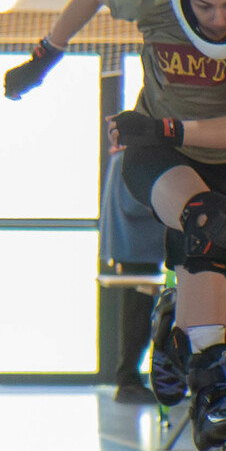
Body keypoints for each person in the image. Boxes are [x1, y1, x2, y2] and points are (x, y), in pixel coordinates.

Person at [5, 0, 226, 451]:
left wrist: (171, 127)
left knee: (215, 242)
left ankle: (175, 331)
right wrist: (45, 57)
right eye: (204, 7)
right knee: (207, 219)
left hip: (219, 155)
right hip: (155, 152)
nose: (218, 19)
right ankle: (213, 390)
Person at [101, 142, 164, 405]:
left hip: (137, 249)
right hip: (137, 250)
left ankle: (130, 377)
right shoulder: (129, 160)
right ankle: (128, 379)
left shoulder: (124, 158)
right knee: (137, 317)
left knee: (139, 314)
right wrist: (167, 204)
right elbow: (134, 203)